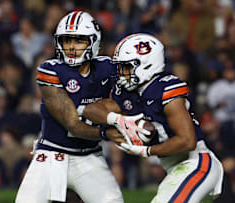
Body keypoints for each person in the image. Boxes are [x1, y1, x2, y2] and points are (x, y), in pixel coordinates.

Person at [83, 33, 224, 202]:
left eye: (126, 67)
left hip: (197, 163)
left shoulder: (165, 89)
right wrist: (118, 120)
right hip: (175, 168)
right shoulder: (126, 93)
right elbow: (90, 110)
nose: (121, 74)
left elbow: (187, 141)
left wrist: (147, 151)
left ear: (147, 65)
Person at [15, 11, 126, 203]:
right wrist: (107, 133)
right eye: (67, 41)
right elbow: (72, 124)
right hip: (51, 156)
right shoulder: (50, 70)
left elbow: (130, 98)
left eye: (79, 41)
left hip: (89, 157)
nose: (72, 47)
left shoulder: (108, 68)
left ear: (94, 42)